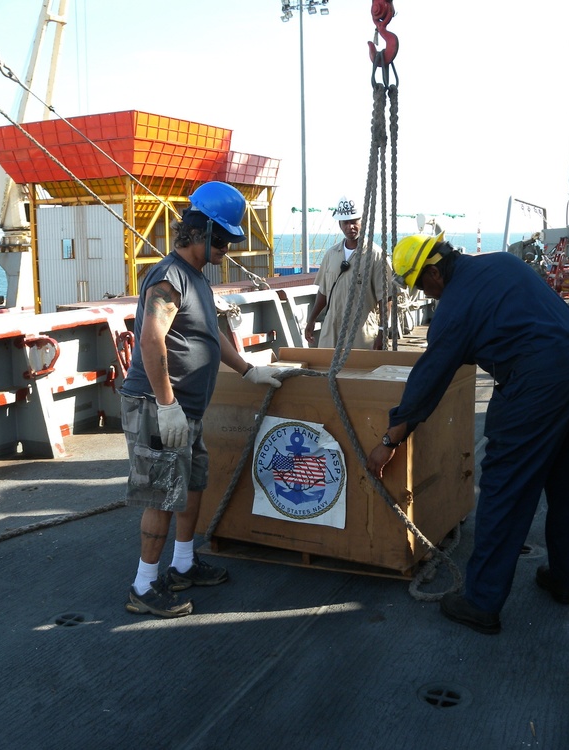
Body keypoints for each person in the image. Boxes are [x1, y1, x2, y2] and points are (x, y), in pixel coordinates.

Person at [366, 233, 569, 635]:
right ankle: (565, 579)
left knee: (505, 486)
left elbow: (429, 379)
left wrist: (390, 439)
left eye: (421, 286)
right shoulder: (502, 262)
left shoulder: (454, 308)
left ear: (433, 272)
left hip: (540, 382)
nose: (425, 295)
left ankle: (481, 602)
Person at [120, 181, 283, 618]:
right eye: (225, 239)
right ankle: (143, 586)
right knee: (162, 496)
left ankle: (184, 564)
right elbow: (151, 339)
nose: (227, 249)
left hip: (186, 409)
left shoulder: (197, 280)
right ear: (203, 230)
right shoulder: (169, 276)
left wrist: (250, 370)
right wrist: (167, 403)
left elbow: (209, 337)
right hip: (159, 406)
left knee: (191, 487)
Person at [304, 196, 392, 350]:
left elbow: (385, 298)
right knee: (327, 370)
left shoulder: (376, 255)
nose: (350, 226)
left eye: (354, 221)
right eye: (346, 222)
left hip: (362, 332)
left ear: (362, 222)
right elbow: (323, 292)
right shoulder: (331, 255)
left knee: (362, 372)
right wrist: (311, 320)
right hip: (331, 329)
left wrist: (382, 332)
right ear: (340, 224)